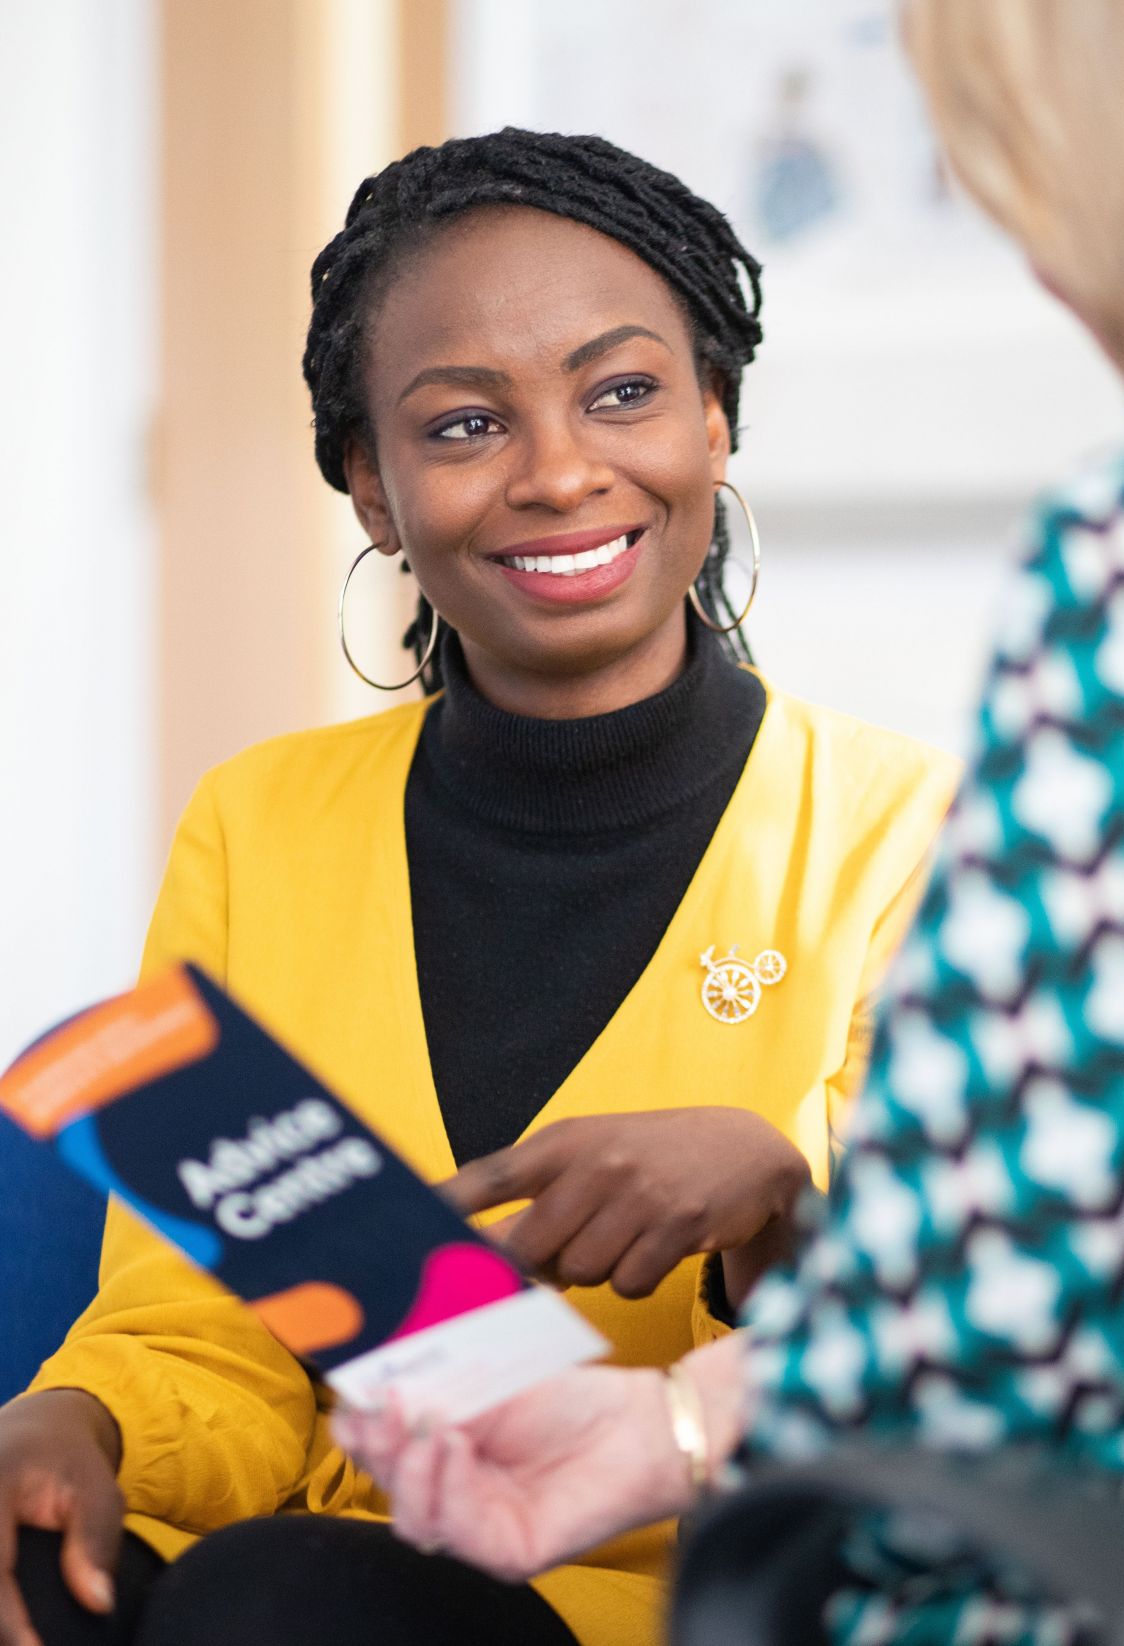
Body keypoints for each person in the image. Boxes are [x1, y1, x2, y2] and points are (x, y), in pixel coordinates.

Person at [341, 4, 1124, 1642]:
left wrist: (729, 1323)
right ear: (367, 482)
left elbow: (1017, 1260)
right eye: (465, 420)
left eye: (1002, 161)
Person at [0, 131, 959, 1646]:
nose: (562, 469)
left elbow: (974, 1369)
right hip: (301, 1576)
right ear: (373, 489)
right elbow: (208, 1337)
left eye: (625, 391)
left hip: (683, 1595)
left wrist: (775, 1202)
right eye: (463, 425)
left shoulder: (907, 835)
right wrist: (74, 1423)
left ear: (717, 419)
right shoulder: (263, 824)